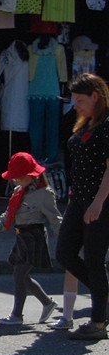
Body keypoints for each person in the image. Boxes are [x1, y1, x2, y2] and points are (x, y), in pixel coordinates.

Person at [54, 73, 109, 340]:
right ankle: (104, 298)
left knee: (95, 260)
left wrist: (98, 202)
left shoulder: (107, 125)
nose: (75, 104)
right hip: (78, 198)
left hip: (99, 199)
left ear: (95, 97)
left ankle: (98, 322)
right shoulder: (86, 123)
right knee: (64, 253)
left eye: (80, 99)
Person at [0, 152, 60, 325]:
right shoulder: (19, 190)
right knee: (20, 274)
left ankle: (17, 315)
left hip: (34, 237)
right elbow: (9, 213)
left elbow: (55, 220)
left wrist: (64, 242)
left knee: (20, 273)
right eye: (15, 178)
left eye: (20, 178)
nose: (17, 181)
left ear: (32, 175)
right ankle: (47, 303)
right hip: (21, 236)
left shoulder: (45, 194)